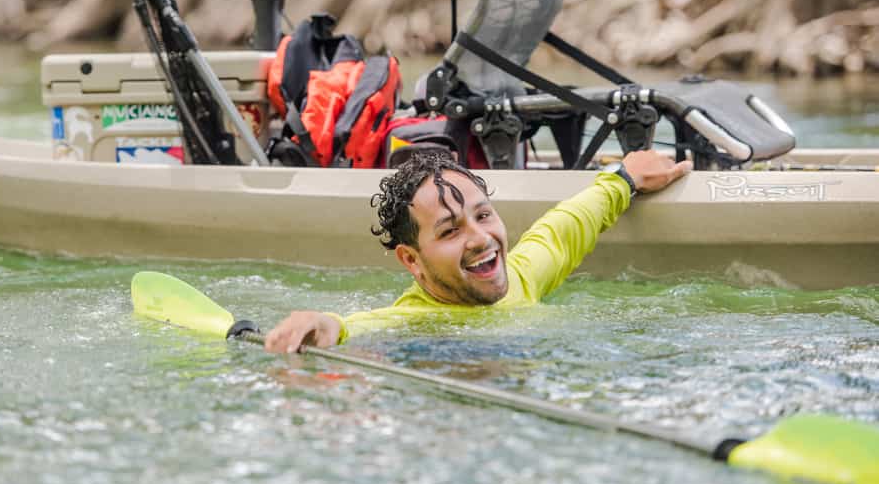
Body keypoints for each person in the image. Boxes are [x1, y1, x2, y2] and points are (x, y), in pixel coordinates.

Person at [264, 149, 693, 353]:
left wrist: (623, 178)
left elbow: (564, 227)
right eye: (450, 231)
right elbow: (353, 326)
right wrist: (320, 324)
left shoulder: (521, 277)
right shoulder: (414, 323)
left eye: (484, 216)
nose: (481, 239)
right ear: (411, 260)